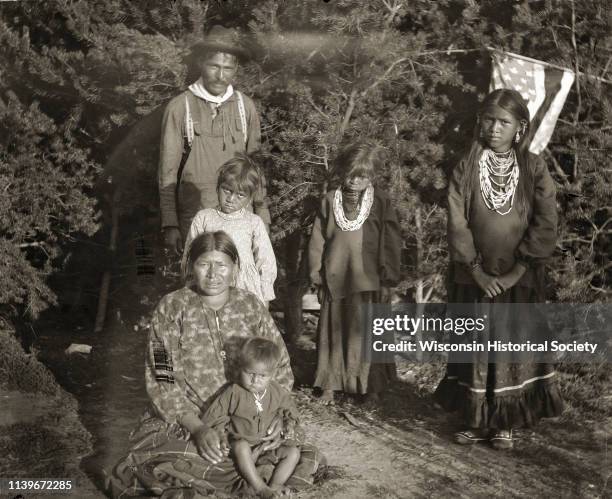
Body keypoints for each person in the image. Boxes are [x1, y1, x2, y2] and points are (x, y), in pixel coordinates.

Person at [105, 232, 322, 497]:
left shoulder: (250, 306)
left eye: (222, 265)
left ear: (235, 268)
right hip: (191, 418)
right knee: (167, 464)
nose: (213, 274)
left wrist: (275, 414)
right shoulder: (171, 308)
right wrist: (198, 428)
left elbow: (279, 366)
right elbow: (163, 378)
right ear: (190, 266)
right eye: (204, 264)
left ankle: (257, 479)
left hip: (249, 416)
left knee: (287, 452)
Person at [434, 89, 563, 449]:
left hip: (519, 278)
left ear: (519, 127)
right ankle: (475, 420)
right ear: (480, 122)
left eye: (504, 122)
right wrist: (475, 270)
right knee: (476, 344)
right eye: (489, 119)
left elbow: (546, 221)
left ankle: (506, 420)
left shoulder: (533, 166)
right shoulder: (467, 163)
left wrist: (517, 270)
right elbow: (456, 220)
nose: (495, 128)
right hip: (474, 275)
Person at [159, 25, 269, 254]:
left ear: (236, 69)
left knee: (239, 280)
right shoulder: (181, 107)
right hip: (196, 218)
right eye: (214, 66)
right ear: (201, 63)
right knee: (200, 279)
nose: (221, 75)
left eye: (228, 68)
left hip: (240, 217)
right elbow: (167, 173)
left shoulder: (245, 106)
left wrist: (262, 213)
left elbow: (256, 167)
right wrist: (170, 222)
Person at [308, 141, 401, 406]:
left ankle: (369, 387)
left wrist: (388, 277)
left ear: (372, 175)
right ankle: (329, 384)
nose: (356, 180)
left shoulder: (380, 202)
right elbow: (317, 241)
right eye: (351, 174)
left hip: (368, 280)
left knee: (369, 335)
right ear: (341, 170)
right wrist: (316, 275)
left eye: (363, 175)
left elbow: (390, 240)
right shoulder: (330, 201)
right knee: (332, 332)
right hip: (335, 278)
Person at [202, 337, 303, 498]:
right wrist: (221, 434)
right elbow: (213, 417)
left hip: (266, 446)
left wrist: (287, 422)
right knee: (241, 446)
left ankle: (275, 484)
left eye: (262, 376)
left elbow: (290, 411)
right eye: (250, 373)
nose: (255, 381)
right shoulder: (233, 392)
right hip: (241, 447)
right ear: (240, 369)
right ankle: (260, 488)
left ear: (272, 374)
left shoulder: (277, 391)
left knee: (293, 453)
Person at [182, 153, 276, 306]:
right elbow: (190, 255)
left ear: (249, 199)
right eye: (226, 190)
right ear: (218, 187)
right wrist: (190, 287)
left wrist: (264, 297)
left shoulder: (253, 222)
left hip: (245, 292)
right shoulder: (204, 217)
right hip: (210, 286)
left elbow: (265, 261)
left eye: (240, 195)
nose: (231, 199)